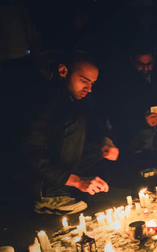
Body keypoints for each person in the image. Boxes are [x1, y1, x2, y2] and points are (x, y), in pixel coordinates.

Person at [23, 51, 118, 215]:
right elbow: (32, 156)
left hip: (55, 166)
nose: (88, 89)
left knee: (99, 150)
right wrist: (78, 181)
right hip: (32, 174)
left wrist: (106, 142)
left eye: (92, 84)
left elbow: (96, 124)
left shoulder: (74, 100)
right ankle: (49, 196)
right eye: (84, 81)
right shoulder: (45, 102)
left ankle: (66, 189)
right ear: (63, 71)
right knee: (76, 120)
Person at [100, 43, 157, 174]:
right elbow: (118, 118)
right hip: (136, 147)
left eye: (149, 64)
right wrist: (142, 121)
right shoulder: (123, 85)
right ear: (132, 61)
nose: (145, 68)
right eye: (141, 64)